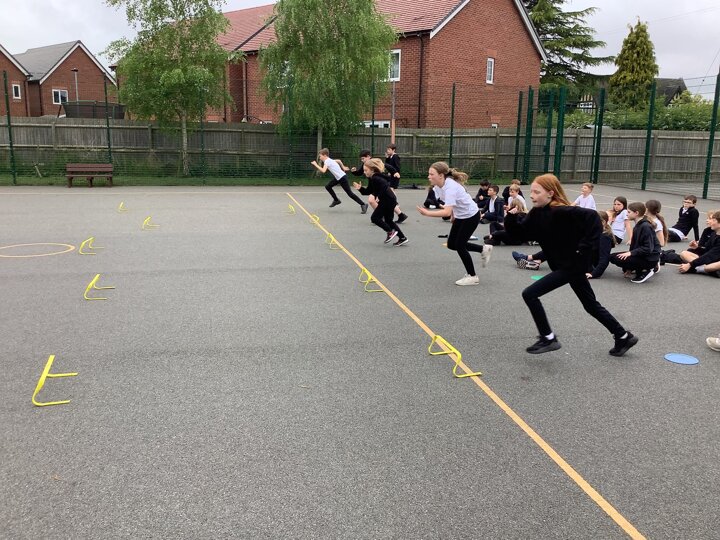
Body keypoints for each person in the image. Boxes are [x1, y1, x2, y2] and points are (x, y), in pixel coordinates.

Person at [505, 174, 637, 356]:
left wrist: (583, 249)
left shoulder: (562, 211)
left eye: (537, 192)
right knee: (590, 304)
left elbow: (594, 218)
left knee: (530, 294)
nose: (532, 195)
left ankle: (548, 338)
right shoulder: (537, 213)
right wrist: (511, 218)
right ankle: (623, 336)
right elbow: (520, 234)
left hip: (572, 266)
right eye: (532, 192)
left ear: (550, 193)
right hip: (565, 265)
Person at [416, 162, 492, 285]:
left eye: (431, 174)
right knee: (452, 244)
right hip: (461, 215)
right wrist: (453, 215)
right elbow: (451, 205)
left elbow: (446, 211)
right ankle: (483, 249)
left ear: (441, 175)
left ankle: (472, 276)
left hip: (471, 215)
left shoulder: (450, 187)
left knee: (460, 245)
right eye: (429, 174)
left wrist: (427, 213)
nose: (428, 176)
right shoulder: (438, 187)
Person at [352, 158, 408, 246]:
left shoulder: (375, 177)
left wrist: (379, 196)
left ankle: (390, 232)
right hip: (390, 200)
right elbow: (368, 191)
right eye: (364, 170)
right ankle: (402, 238)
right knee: (388, 220)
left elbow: (385, 185)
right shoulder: (372, 178)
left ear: (372, 170)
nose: (364, 172)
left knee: (375, 218)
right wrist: (360, 188)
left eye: (366, 170)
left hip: (387, 200)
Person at [346, 150, 408, 223]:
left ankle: (381, 216)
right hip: (374, 185)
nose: (362, 160)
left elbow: (388, 166)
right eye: (361, 159)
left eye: (363, 158)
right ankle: (400, 215)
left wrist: (395, 172)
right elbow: (360, 172)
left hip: (381, 184)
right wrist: (354, 172)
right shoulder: (365, 165)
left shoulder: (374, 163)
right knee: (386, 201)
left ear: (368, 156)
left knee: (373, 200)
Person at [609, 202, 661, 283]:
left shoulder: (646, 227)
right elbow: (634, 245)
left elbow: (648, 248)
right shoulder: (638, 225)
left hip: (650, 258)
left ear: (636, 213)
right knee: (613, 257)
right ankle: (636, 268)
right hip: (642, 255)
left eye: (629, 212)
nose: (627, 214)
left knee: (619, 259)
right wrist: (629, 266)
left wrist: (631, 253)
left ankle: (647, 270)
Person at [311, 148, 368, 213]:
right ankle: (336, 200)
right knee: (328, 186)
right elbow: (339, 160)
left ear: (325, 155)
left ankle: (363, 204)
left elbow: (323, 171)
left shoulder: (327, 161)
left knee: (350, 194)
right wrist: (343, 167)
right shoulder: (329, 160)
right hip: (338, 178)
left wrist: (315, 164)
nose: (319, 157)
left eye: (320, 156)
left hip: (342, 178)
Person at [678, 210, 720, 277]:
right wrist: (697, 248)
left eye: (713, 220)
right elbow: (707, 251)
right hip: (711, 261)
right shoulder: (714, 234)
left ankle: (700, 269)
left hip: (715, 261)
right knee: (684, 253)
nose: (711, 222)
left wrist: (690, 265)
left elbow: (710, 255)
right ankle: (708, 269)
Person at [586, 210, 616, 279]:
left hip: (592, 265)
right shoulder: (595, 232)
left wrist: (594, 274)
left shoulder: (604, 237)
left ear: (603, 222)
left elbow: (604, 257)